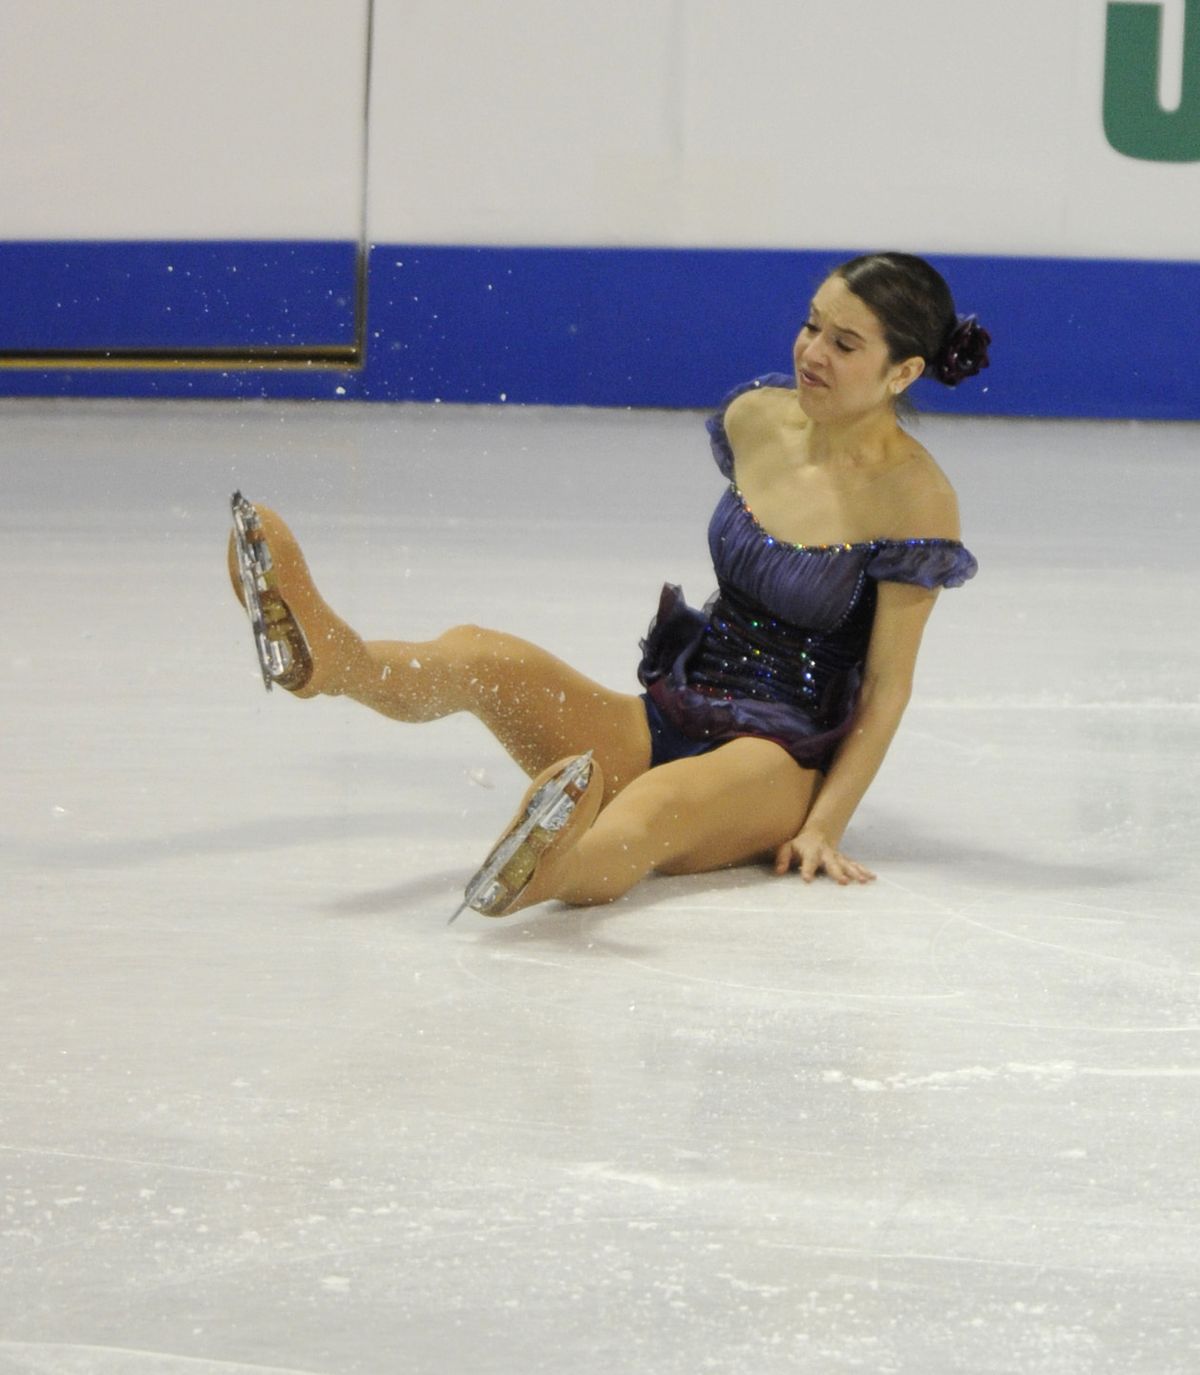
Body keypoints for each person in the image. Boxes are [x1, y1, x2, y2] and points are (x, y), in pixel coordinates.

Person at [228, 252, 987, 918]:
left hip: (778, 760)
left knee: (650, 806)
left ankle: (556, 868)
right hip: (675, 708)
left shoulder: (916, 499)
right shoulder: (758, 416)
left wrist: (825, 823)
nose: (812, 351)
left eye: (845, 343)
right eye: (811, 324)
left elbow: (887, 687)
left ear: (905, 371)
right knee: (480, 654)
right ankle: (333, 660)